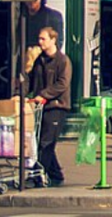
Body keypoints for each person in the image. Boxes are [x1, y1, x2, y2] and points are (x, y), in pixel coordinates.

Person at [28, 26, 71, 187]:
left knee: (46, 143)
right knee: (42, 142)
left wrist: (44, 94)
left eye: (43, 38)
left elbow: (62, 84)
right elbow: (32, 80)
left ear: (53, 40)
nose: (40, 42)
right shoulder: (39, 60)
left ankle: (37, 175)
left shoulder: (63, 61)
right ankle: (56, 174)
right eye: (39, 38)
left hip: (57, 106)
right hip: (41, 107)